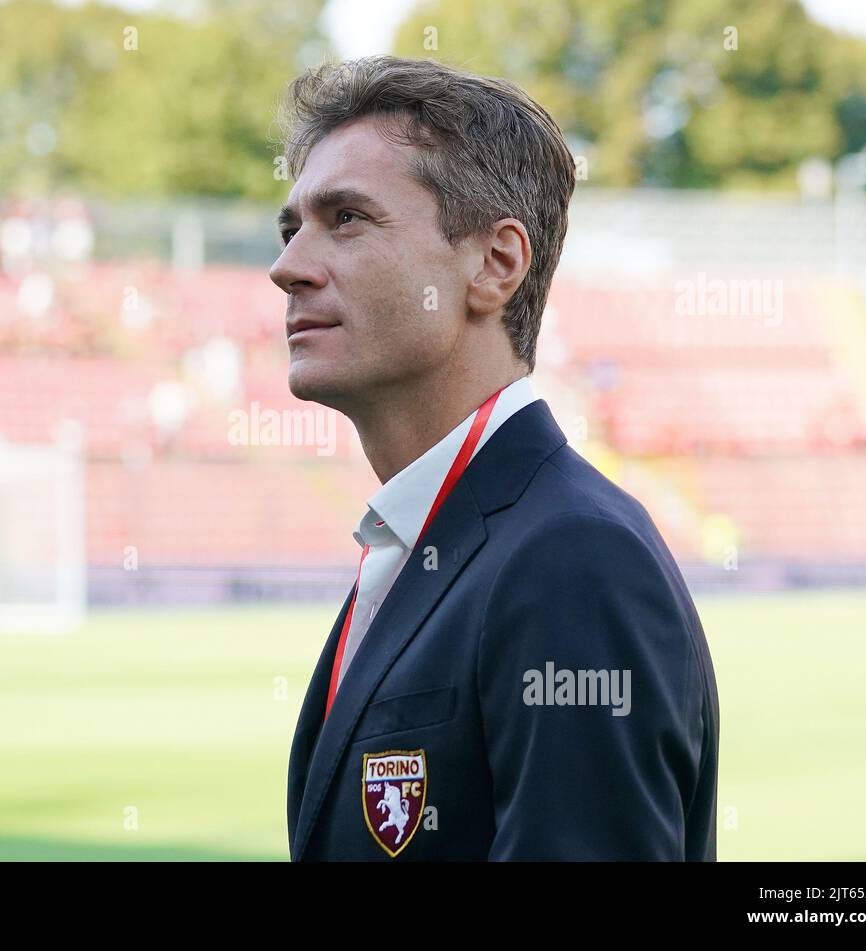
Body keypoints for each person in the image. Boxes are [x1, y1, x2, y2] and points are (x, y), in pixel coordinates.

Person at [270, 55, 719, 861]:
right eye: (290, 226)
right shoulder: (431, 544)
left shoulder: (571, 558)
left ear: (495, 264)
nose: (288, 266)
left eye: (345, 219)